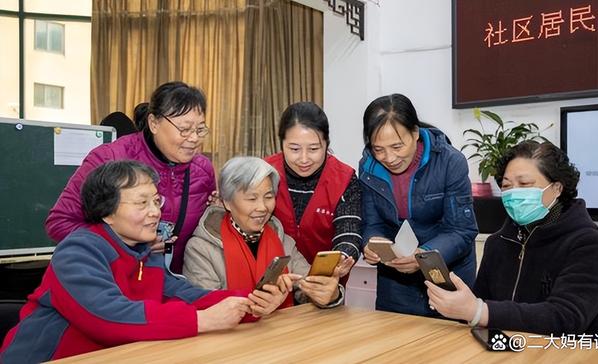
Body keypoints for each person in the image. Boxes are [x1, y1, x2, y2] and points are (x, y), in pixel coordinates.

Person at [0, 161, 290, 363]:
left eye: (156, 201)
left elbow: (187, 294)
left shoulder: (143, 252)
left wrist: (250, 303)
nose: (155, 212)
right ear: (106, 211)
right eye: (142, 203)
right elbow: (110, 316)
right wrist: (202, 321)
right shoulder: (78, 251)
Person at [426, 141, 598, 335]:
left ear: (557, 188)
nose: (514, 193)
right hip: (515, 349)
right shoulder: (498, 243)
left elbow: (565, 318)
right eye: (506, 186)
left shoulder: (589, 244)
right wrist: (455, 304)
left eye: (525, 184)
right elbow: (479, 305)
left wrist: (479, 311)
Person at [45, 81, 215, 273]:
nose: (193, 138)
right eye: (184, 129)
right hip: (114, 281)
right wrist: (125, 246)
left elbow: (202, 236)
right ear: (154, 123)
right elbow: (59, 223)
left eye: (200, 129)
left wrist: (220, 213)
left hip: (172, 284)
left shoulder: (203, 170)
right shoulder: (109, 159)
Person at [359, 93, 478, 316]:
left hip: (446, 274)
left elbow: (462, 230)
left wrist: (422, 255)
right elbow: (372, 222)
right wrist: (372, 243)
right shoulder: (368, 168)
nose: (389, 157)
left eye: (397, 146)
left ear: (415, 133)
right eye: (378, 149)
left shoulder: (449, 162)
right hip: (395, 280)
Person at [184, 157, 344, 308]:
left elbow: (307, 288)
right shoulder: (201, 249)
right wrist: (258, 305)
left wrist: (331, 294)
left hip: (281, 334)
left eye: (268, 197)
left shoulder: (282, 240)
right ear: (227, 202)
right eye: (252, 199)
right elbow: (207, 308)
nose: (262, 207)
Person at [264, 102, 362, 277]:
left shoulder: (343, 178)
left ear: (327, 143)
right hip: (274, 279)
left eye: (314, 149)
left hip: (325, 279)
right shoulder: (265, 172)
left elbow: (349, 230)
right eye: (294, 149)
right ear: (282, 144)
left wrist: (343, 256)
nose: (303, 159)